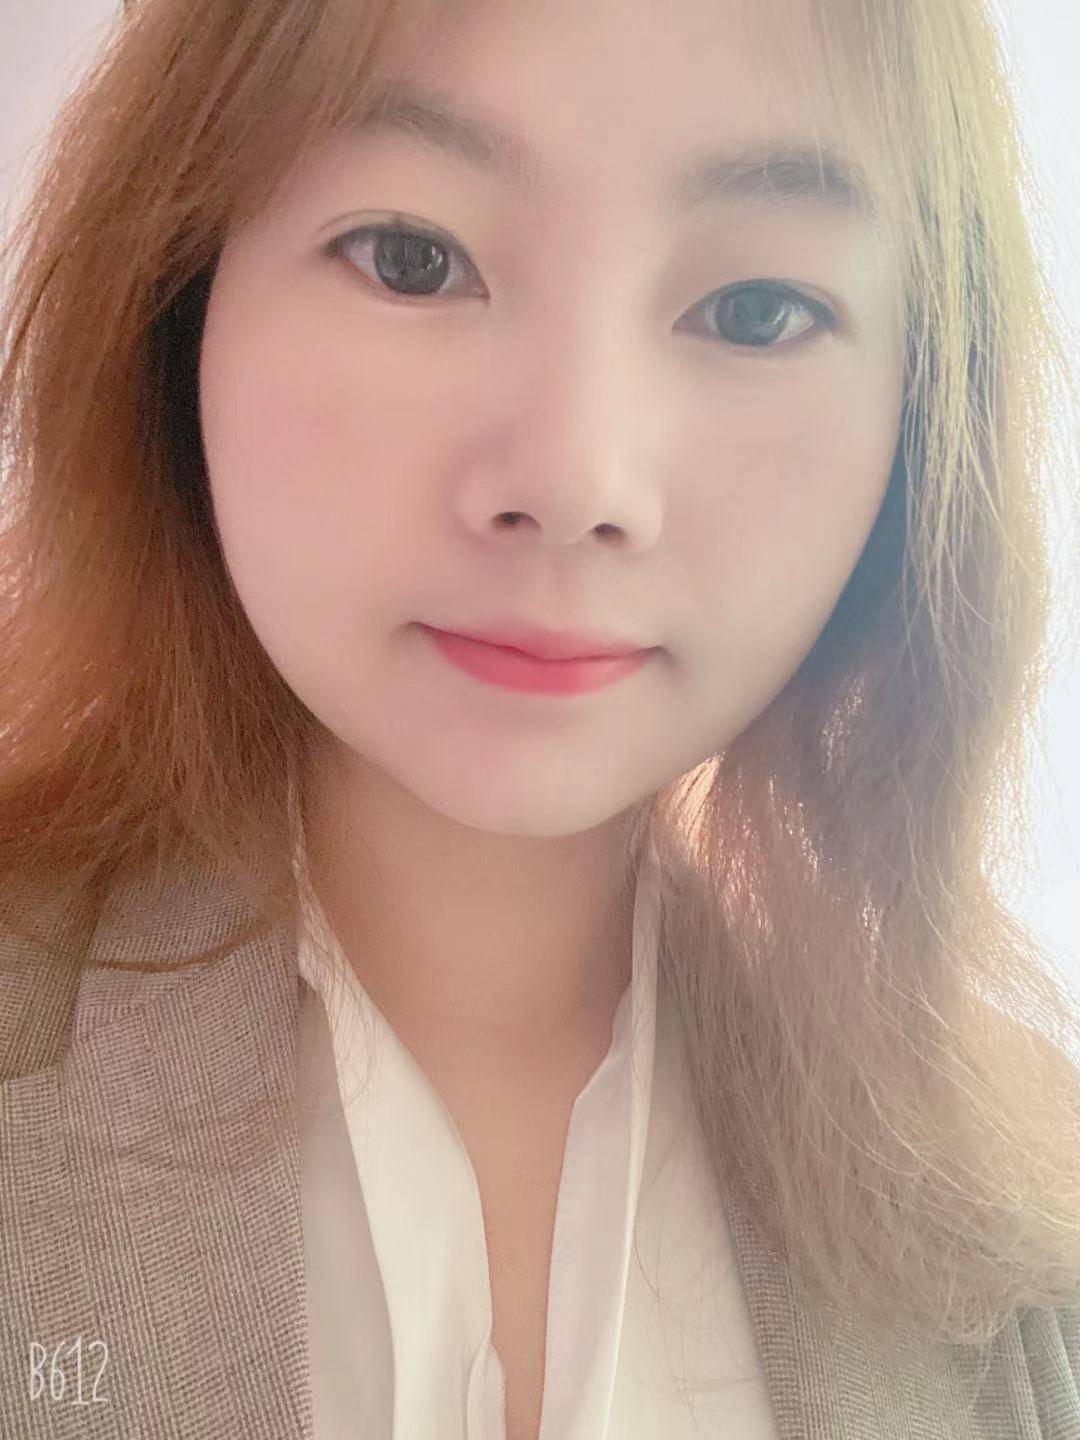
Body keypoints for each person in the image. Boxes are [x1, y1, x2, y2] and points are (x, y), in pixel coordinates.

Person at [0, 0, 1077, 1436]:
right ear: (176, 297)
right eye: (412, 257)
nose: (575, 481)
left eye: (756, 310)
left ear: (924, 407)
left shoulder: (1028, 1200)